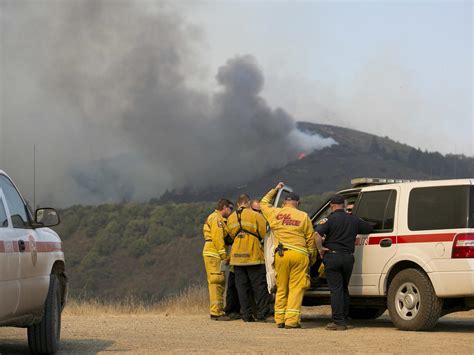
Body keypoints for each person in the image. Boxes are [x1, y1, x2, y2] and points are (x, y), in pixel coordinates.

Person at [260, 182, 316, 329]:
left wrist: (276, 189)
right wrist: (312, 257)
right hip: (300, 255)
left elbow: (263, 203)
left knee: (281, 287)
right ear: (298, 203)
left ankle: (279, 319)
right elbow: (310, 239)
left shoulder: (275, 213)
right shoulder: (304, 216)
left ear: (284, 202)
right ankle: (291, 321)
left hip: (281, 254)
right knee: (296, 288)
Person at [314, 194, 373, 330]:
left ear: (331, 206)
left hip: (333, 257)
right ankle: (345, 317)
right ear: (344, 205)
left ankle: (338, 321)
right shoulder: (354, 219)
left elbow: (316, 235)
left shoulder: (328, 219)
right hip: (348, 258)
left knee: (336, 290)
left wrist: (320, 248)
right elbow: (368, 228)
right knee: (344, 288)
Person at [227, 194, 270, 322]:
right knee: (259, 287)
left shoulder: (231, 218)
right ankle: (262, 314)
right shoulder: (256, 215)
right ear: (248, 203)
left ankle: (246, 315)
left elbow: (230, 235)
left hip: (236, 258)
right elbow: (264, 234)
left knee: (242, 288)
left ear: (238, 204)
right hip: (253, 256)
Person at [203, 199, 234, 321]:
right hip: (214, 253)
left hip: (214, 252)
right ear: (224, 207)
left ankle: (218, 310)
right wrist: (224, 256)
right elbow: (218, 238)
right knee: (216, 281)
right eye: (230, 208)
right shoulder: (217, 219)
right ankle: (216, 312)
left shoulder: (217, 218)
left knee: (219, 282)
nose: (231, 211)